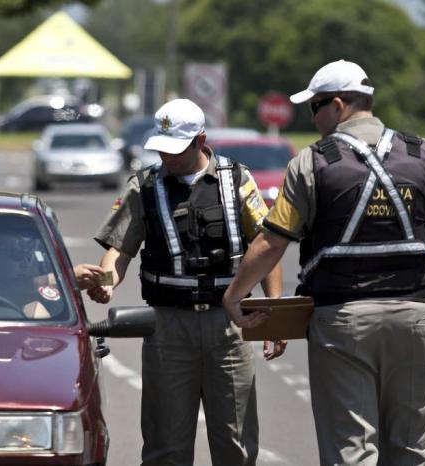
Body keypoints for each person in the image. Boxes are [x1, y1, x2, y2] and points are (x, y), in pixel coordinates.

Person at [222, 60, 425, 465]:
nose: (314, 117)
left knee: (351, 451)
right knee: (412, 450)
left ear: (337, 105)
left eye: (314, 107)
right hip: (415, 315)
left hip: (343, 322)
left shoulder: (311, 162)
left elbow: (272, 240)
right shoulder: (424, 153)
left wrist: (236, 295)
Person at [85, 98, 285, 465]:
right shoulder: (144, 186)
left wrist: (273, 315)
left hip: (228, 328)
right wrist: (107, 280)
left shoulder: (237, 180)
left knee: (236, 444)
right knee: (166, 446)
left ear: (200, 140)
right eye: (160, 149)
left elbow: (266, 246)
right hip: (168, 330)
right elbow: (119, 249)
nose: (167, 158)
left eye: (175, 150)